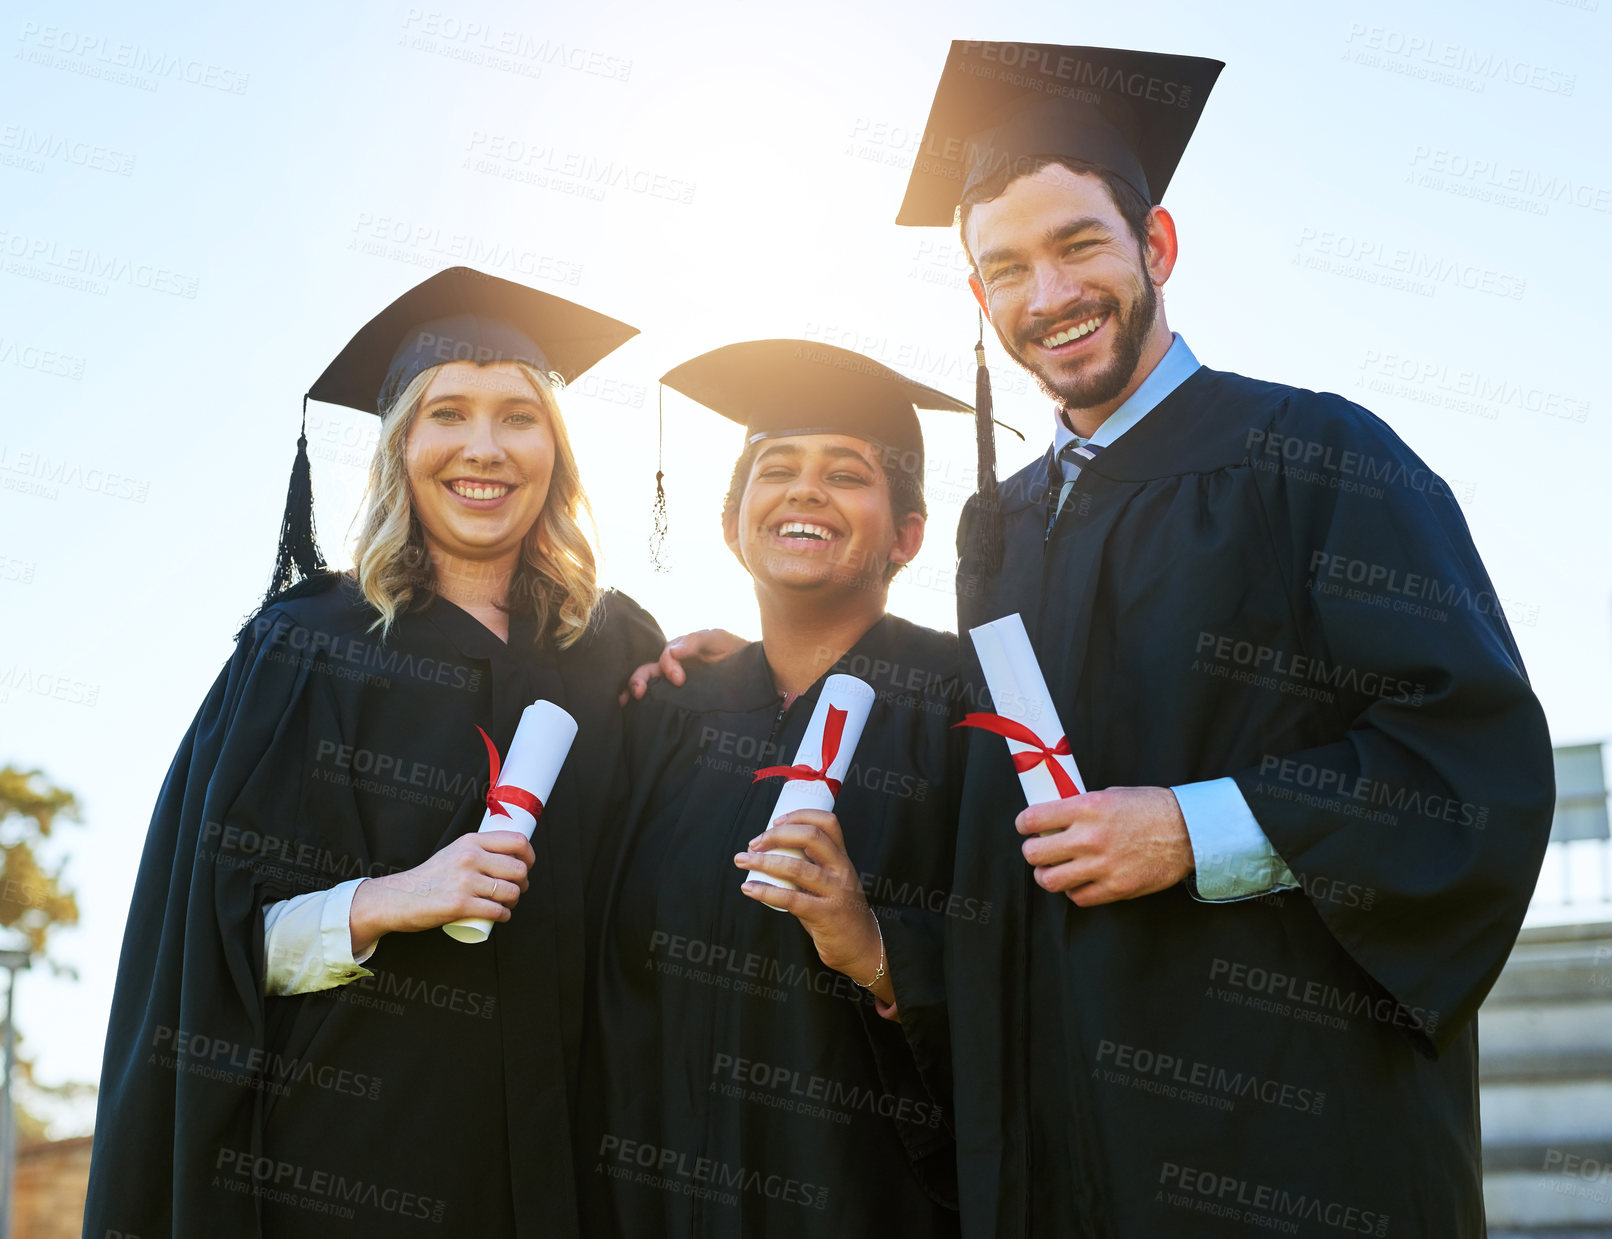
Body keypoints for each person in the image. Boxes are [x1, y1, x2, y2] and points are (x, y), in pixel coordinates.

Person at [892, 40, 1556, 1237]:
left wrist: (1191, 830)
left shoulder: (1315, 458)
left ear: (1156, 247)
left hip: (1292, 1124)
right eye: (1004, 268)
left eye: (1078, 244)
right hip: (1059, 1126)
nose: (1047, 296)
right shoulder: (998, 531)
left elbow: (1469, 764)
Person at [82, 267, 664, 1239]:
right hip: (350, 1166)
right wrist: (388, 900)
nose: (484, 447)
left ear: (555, 451)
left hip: (582, 1159)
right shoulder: (306, 647)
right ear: (400, 444)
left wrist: (740, 683)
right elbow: (207, 945)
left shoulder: (615, 649)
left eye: (518, 417)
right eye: (449, 413)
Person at [579, 340, 967, 1237]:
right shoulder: (666, 719)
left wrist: (875, 948)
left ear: (907, 535)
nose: (804, 490)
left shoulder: (965, 708)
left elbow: (1039, 971)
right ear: (732, 523)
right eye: (777, 468)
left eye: (848, 472)